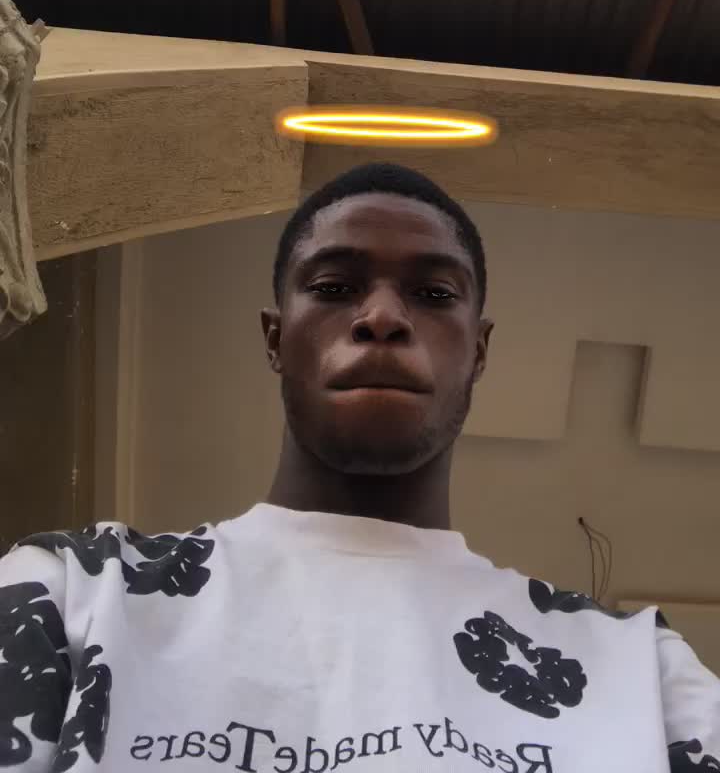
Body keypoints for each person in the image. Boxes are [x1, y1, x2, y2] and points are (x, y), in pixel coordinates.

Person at [1, 163, 718, 772]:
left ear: (478, 351)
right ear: (275, 339)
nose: (382, 316)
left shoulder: (641, 674)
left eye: (433, 295)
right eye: (334, 287)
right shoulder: (73, 593)